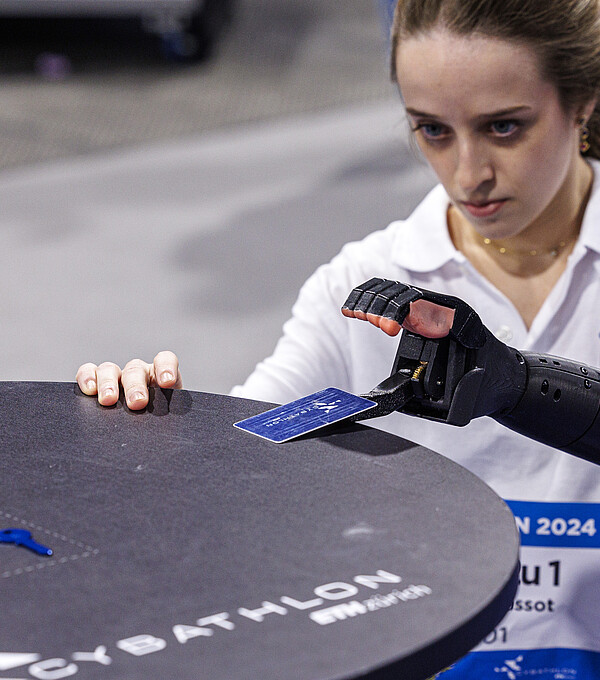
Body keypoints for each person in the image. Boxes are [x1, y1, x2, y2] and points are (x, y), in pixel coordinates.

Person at [76, 0, 600, 676]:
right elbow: (229, 464)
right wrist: (142, 439)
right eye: (432, 131)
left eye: (504, 127)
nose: (469, 173)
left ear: (583, 101)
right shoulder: (359, 285)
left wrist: (520, 385)